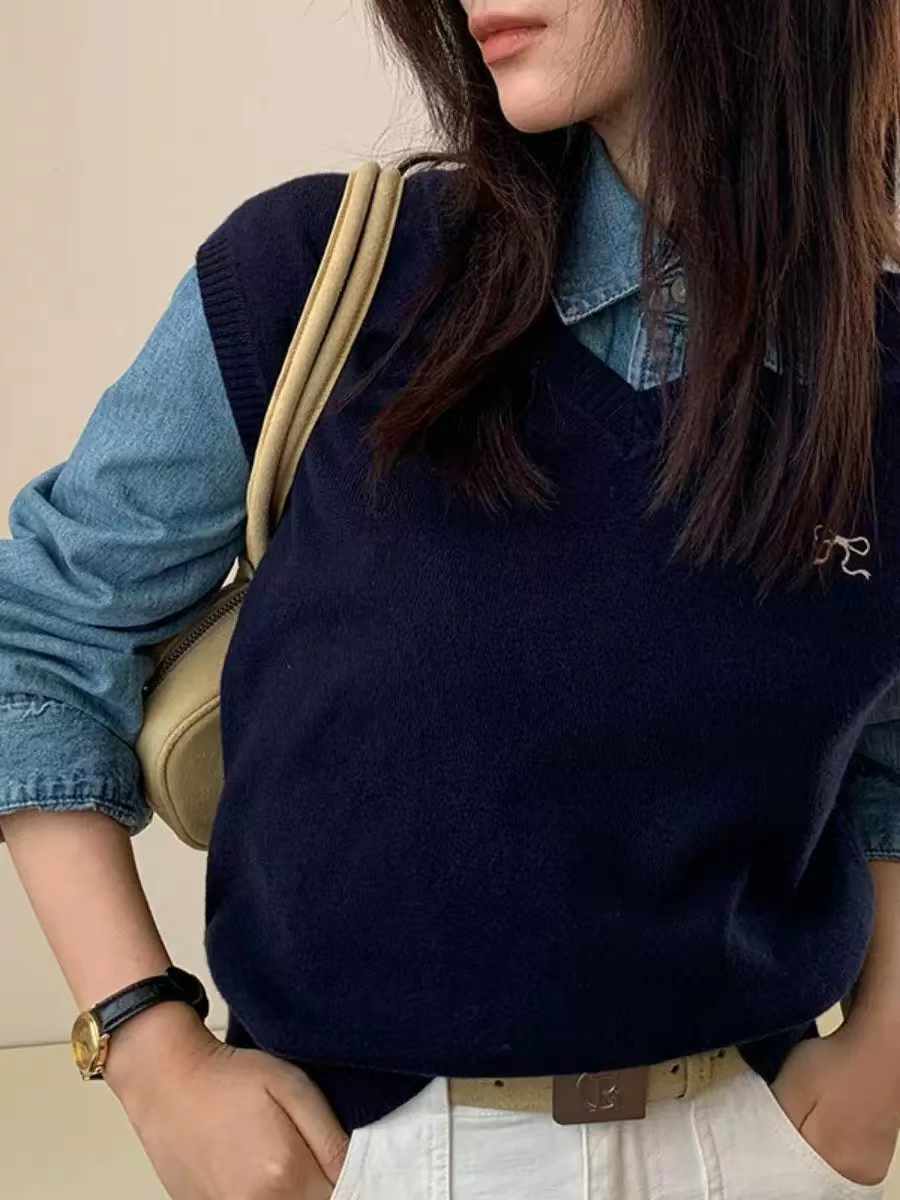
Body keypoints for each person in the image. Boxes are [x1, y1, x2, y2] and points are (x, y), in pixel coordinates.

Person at [3, 0, 900, 1196]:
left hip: (755, 1141)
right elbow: (40, 639)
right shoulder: (320, 279)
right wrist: (145, 1045)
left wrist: (885, 1052)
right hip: (364, 1154)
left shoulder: (879, 371)